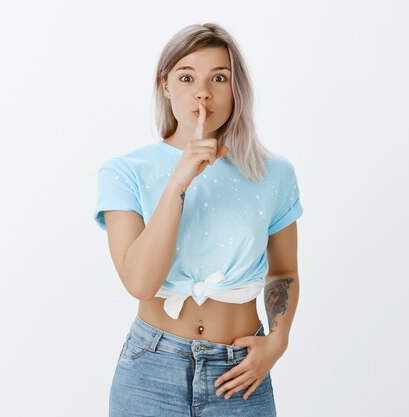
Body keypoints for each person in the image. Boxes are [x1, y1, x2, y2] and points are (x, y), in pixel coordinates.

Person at [93, 22, 303, 417]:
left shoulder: (274, 173)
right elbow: (140, 283)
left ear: (235, 89)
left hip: (241, 372)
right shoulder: (125, 171)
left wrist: (278, 341)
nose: (203, 91)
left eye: (218, 78)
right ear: (165, 86)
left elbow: (284, 271)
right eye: (187, 77)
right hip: (151, 372)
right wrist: (179, 180)